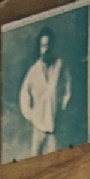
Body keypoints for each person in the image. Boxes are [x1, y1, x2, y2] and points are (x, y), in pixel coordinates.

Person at [19, 27, 71, 157]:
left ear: (53, 45)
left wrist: (63, 108)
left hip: (55, 124)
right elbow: (24, 95)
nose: (46, 49)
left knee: (56, 159)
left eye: (48, 45)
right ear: (39, 47)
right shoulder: (34, 71)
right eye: (43, 46)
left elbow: (68, 88)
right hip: (39, 125)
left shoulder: (60, 65)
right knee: (35, 158)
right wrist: (31, 115)